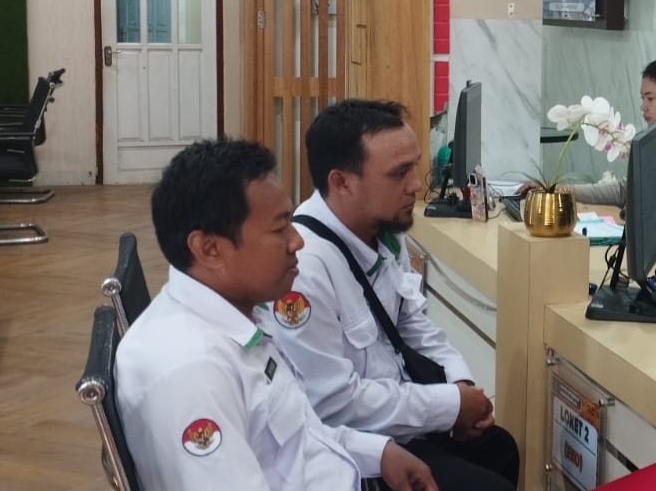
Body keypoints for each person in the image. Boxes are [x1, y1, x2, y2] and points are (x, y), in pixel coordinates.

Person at [118, 139, 438, 491]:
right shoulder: (192, 375)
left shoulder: (239, 312)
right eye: (279, 229)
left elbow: (296, 436)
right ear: (209, 249)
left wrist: (377, 453)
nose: (297, 241)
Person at [271, 99, 521, 491]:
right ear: (342, 182)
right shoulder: (304, 269)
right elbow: (333, 405)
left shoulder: (382, 229)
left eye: (414, 167)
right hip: (355, 448)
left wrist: (460, 385)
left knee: (500, 448)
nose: (416, 185)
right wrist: (449, 407)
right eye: (399, 173)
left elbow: (414, 324)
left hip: (399, 412)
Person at [539, 58, 656, 227]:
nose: (643, 106)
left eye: (650, 99)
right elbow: (625, 191)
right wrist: (563, 190)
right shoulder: (655, 141)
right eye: (643, 98)